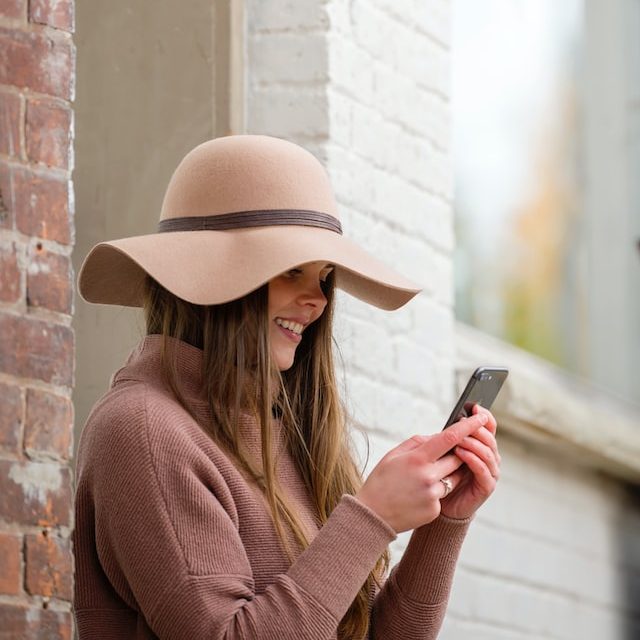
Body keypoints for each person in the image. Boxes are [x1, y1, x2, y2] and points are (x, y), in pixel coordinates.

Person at [73, 135, 500, 640]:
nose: (317, 300)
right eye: (291, 270)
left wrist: (442, 525)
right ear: (214, 276)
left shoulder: (289, 429)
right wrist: (372, 516)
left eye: (324, 277)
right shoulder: (143, 430)